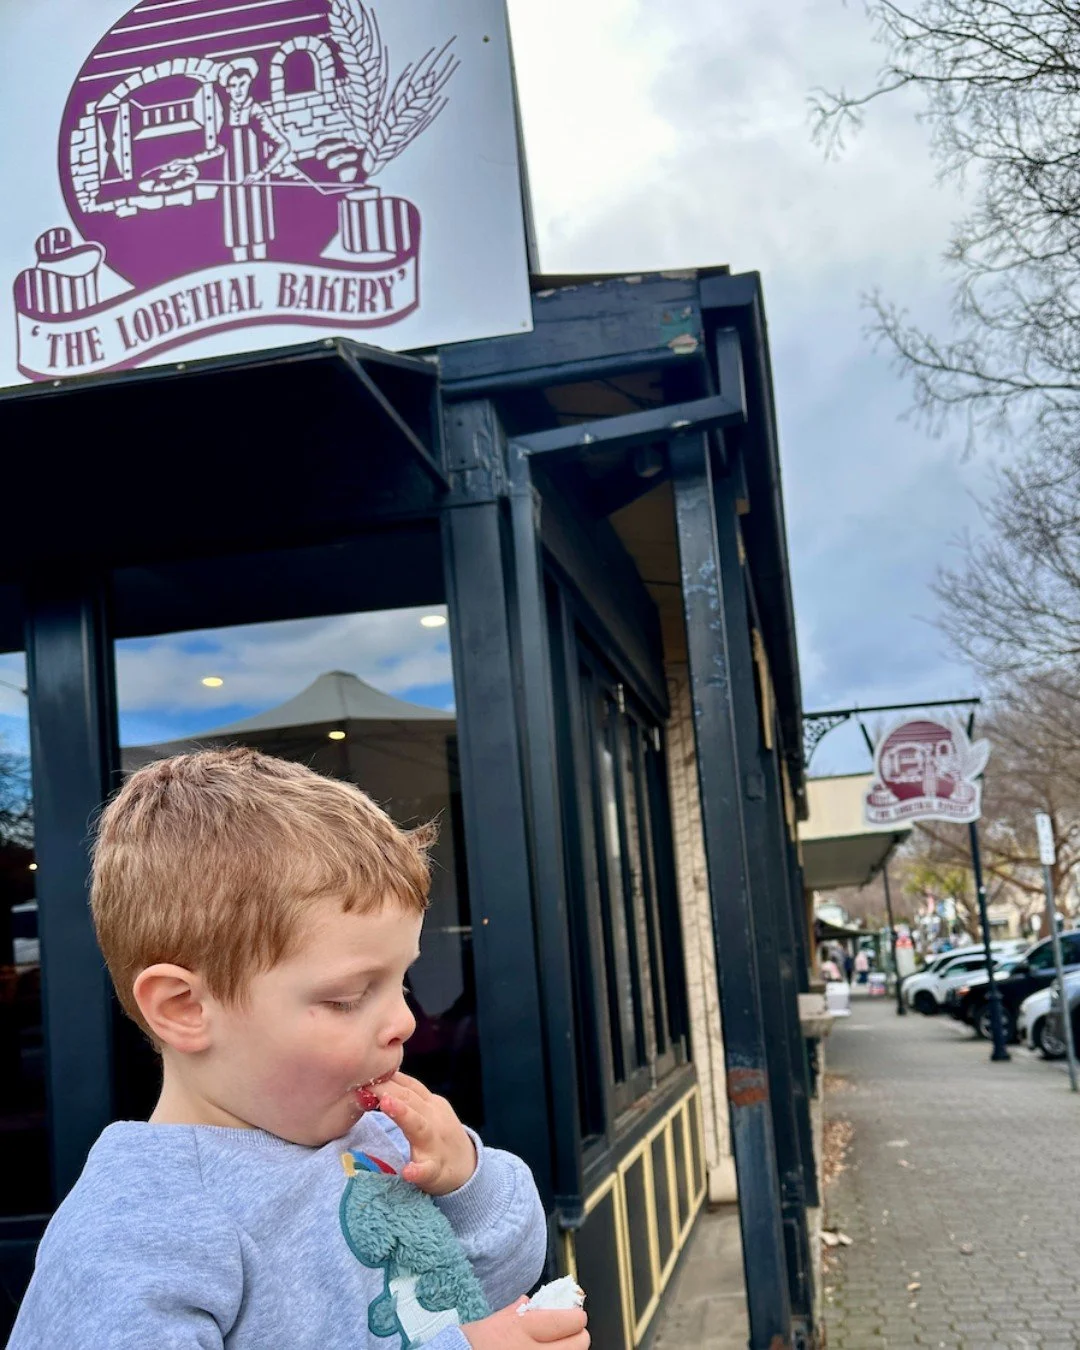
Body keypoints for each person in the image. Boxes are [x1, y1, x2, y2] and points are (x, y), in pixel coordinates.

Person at [8, 748, 588, 1349]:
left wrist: (466, 1181)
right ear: (184, 1008)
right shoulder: (138, 1231)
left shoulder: (375, 1140)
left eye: (402, 982)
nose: (405, 1022)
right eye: (347, 997)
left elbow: (492, 1286)